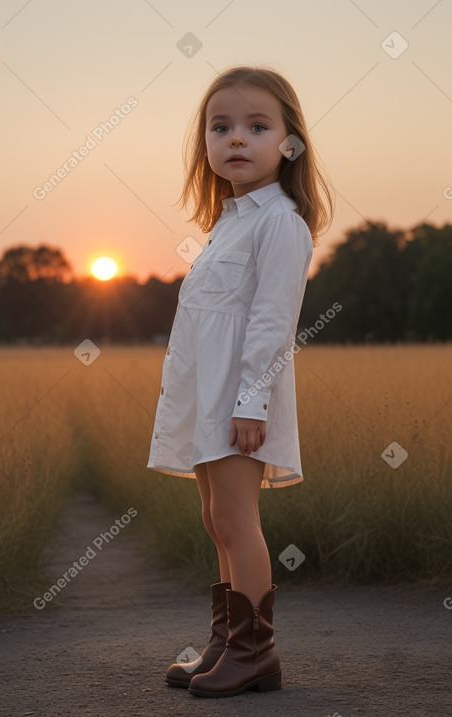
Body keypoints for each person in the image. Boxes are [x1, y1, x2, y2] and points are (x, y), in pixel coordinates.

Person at [146, 65, 333, 698]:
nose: (236, 139)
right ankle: (227, 642)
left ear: (289, 142)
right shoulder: (229, 222)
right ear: (203, 142)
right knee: (216, 519)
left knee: (236, 519)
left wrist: (251, 401)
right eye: (220, 126)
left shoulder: (280, 222)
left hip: (241, 399)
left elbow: (273, 324)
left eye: (257, 126)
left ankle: (257, 652)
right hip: (211, 397)